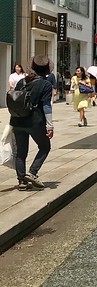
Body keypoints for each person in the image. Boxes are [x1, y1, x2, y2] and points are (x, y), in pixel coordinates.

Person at [11, 56, 54, 191]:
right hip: (35, 121)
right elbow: (47, 106)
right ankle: (32, 172)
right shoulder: (46, 84)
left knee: (20, 152)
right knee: (45, 146)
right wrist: (50, 125)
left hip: (17, 120)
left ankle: (22, 181)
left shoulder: (21, 82)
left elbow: (14, 101)